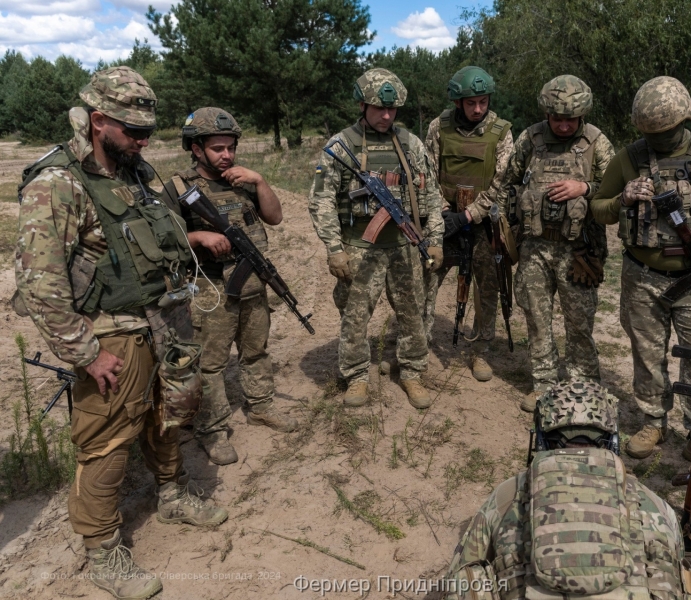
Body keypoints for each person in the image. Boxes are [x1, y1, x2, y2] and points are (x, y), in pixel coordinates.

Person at [15, 67, 227, 600]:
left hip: (166, 323)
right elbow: (39, 283)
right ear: (97, 120)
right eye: (132, 130)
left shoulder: (135, 170)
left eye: (147, 130)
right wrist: (84, 353)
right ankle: (103, 549)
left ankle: (173, 495)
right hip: (114, 337)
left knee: (170, 417)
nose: (143, 139)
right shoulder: (58, 182)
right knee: (106, 444)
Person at [444, 379, 691, 600]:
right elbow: (673, 560)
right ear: (612, 440)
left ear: (539, 438)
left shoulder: (507, 494)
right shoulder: (653, 503)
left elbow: (462, 567)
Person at [592, 76, 691, 459]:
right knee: (647, 353)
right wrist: (623, 198)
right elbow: (599, 207)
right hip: (642, 277)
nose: (660, 139)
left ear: (684, 119)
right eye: (652, 133)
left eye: (667, 131)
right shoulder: (629, 158)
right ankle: (653, 422)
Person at [161, 107, 296, 466]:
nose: (227, 155)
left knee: (256, 350)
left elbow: (276, 218)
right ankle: (213, 429)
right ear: (196, 148)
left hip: (252, 283)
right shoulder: (177, 188)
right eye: (218, 148)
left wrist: (261, 181)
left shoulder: (243, 181)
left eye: (231, 148)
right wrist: (198, 236)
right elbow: (159, 240)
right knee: (212, 364)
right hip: (210, 288)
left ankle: (261, 405)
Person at [308, 68, 444, 409]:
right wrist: (334, 249)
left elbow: (431, 197)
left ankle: (411, 371)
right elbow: (321, 199)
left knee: (412, 312)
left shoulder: (411, 144)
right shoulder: (340, 146)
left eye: (392, 109)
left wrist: (437, 238)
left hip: (405, 246)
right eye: (378, 108)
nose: (386, 115)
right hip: (359, 247)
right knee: (354, 316)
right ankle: (355, 376)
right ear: (361, 105)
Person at [497, 75, 614, 412]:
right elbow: (509, 183)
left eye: (570, 119)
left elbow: (616, 190)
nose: (563, 125)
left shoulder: (596, 142)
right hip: (535, 247)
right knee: (536, 318)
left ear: (582, 116)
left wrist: (585, 189)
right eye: (557, 118)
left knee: (580, 323)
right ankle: (544, 384)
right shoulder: (530, 139)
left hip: (577, 250)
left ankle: (583, 387)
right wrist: (508, 230)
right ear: (547, 113)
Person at [422, 66, 513, 381]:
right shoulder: (439, 127)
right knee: (427, 278)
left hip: (484, 225)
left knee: (488, 288)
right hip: (445, 220)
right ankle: (418, 344)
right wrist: (443, 211)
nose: (478, 109)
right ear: (458, 102)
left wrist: (471, 214)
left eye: (483, 102)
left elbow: (503, 181)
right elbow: (427, 172)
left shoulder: (500, 131)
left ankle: (480, 350)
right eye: (471, 103)